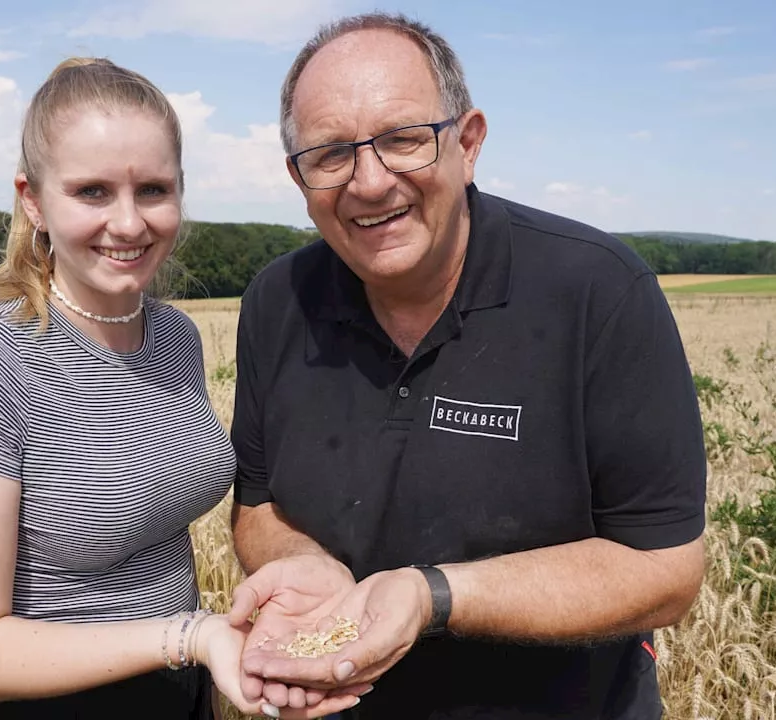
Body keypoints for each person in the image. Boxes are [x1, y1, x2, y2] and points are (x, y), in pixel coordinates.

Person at [225, 12, 708, 720]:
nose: (368, 181)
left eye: (402, 141)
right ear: (298, 178)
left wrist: (432, 596)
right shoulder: (278, 301)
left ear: (468, 142)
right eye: (330, 154)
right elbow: (256, 508)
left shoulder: (597, 292)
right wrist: (301, 562)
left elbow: (665, 571)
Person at [0, 57, 367, 720]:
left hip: (177, 695)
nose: (130, 222)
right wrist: (189, 636)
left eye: (153, 190)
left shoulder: (173, 337)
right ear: (33, 199)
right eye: (92, 192)